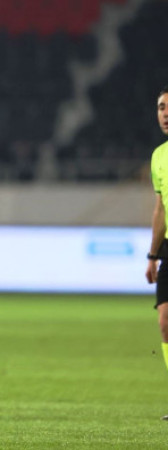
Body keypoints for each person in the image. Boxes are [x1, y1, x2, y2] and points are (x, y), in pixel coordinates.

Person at [145, 85, 168, 420]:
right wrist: (152, 256)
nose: (166, 113)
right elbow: (161, 208)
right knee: (165, 322)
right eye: (162, 107)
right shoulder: (159, 156)